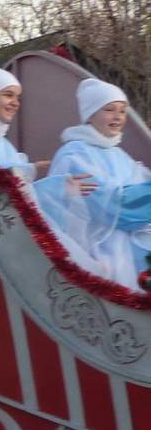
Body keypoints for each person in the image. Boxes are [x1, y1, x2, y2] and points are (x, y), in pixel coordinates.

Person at [41, 78, 151, 287]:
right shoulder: (75, 154)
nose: (118, 116)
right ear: (90, 115)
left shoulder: (117, 153)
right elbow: (114, 205)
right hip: (104, 248)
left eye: (122, 110)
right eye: (109, 109)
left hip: (132, 241)